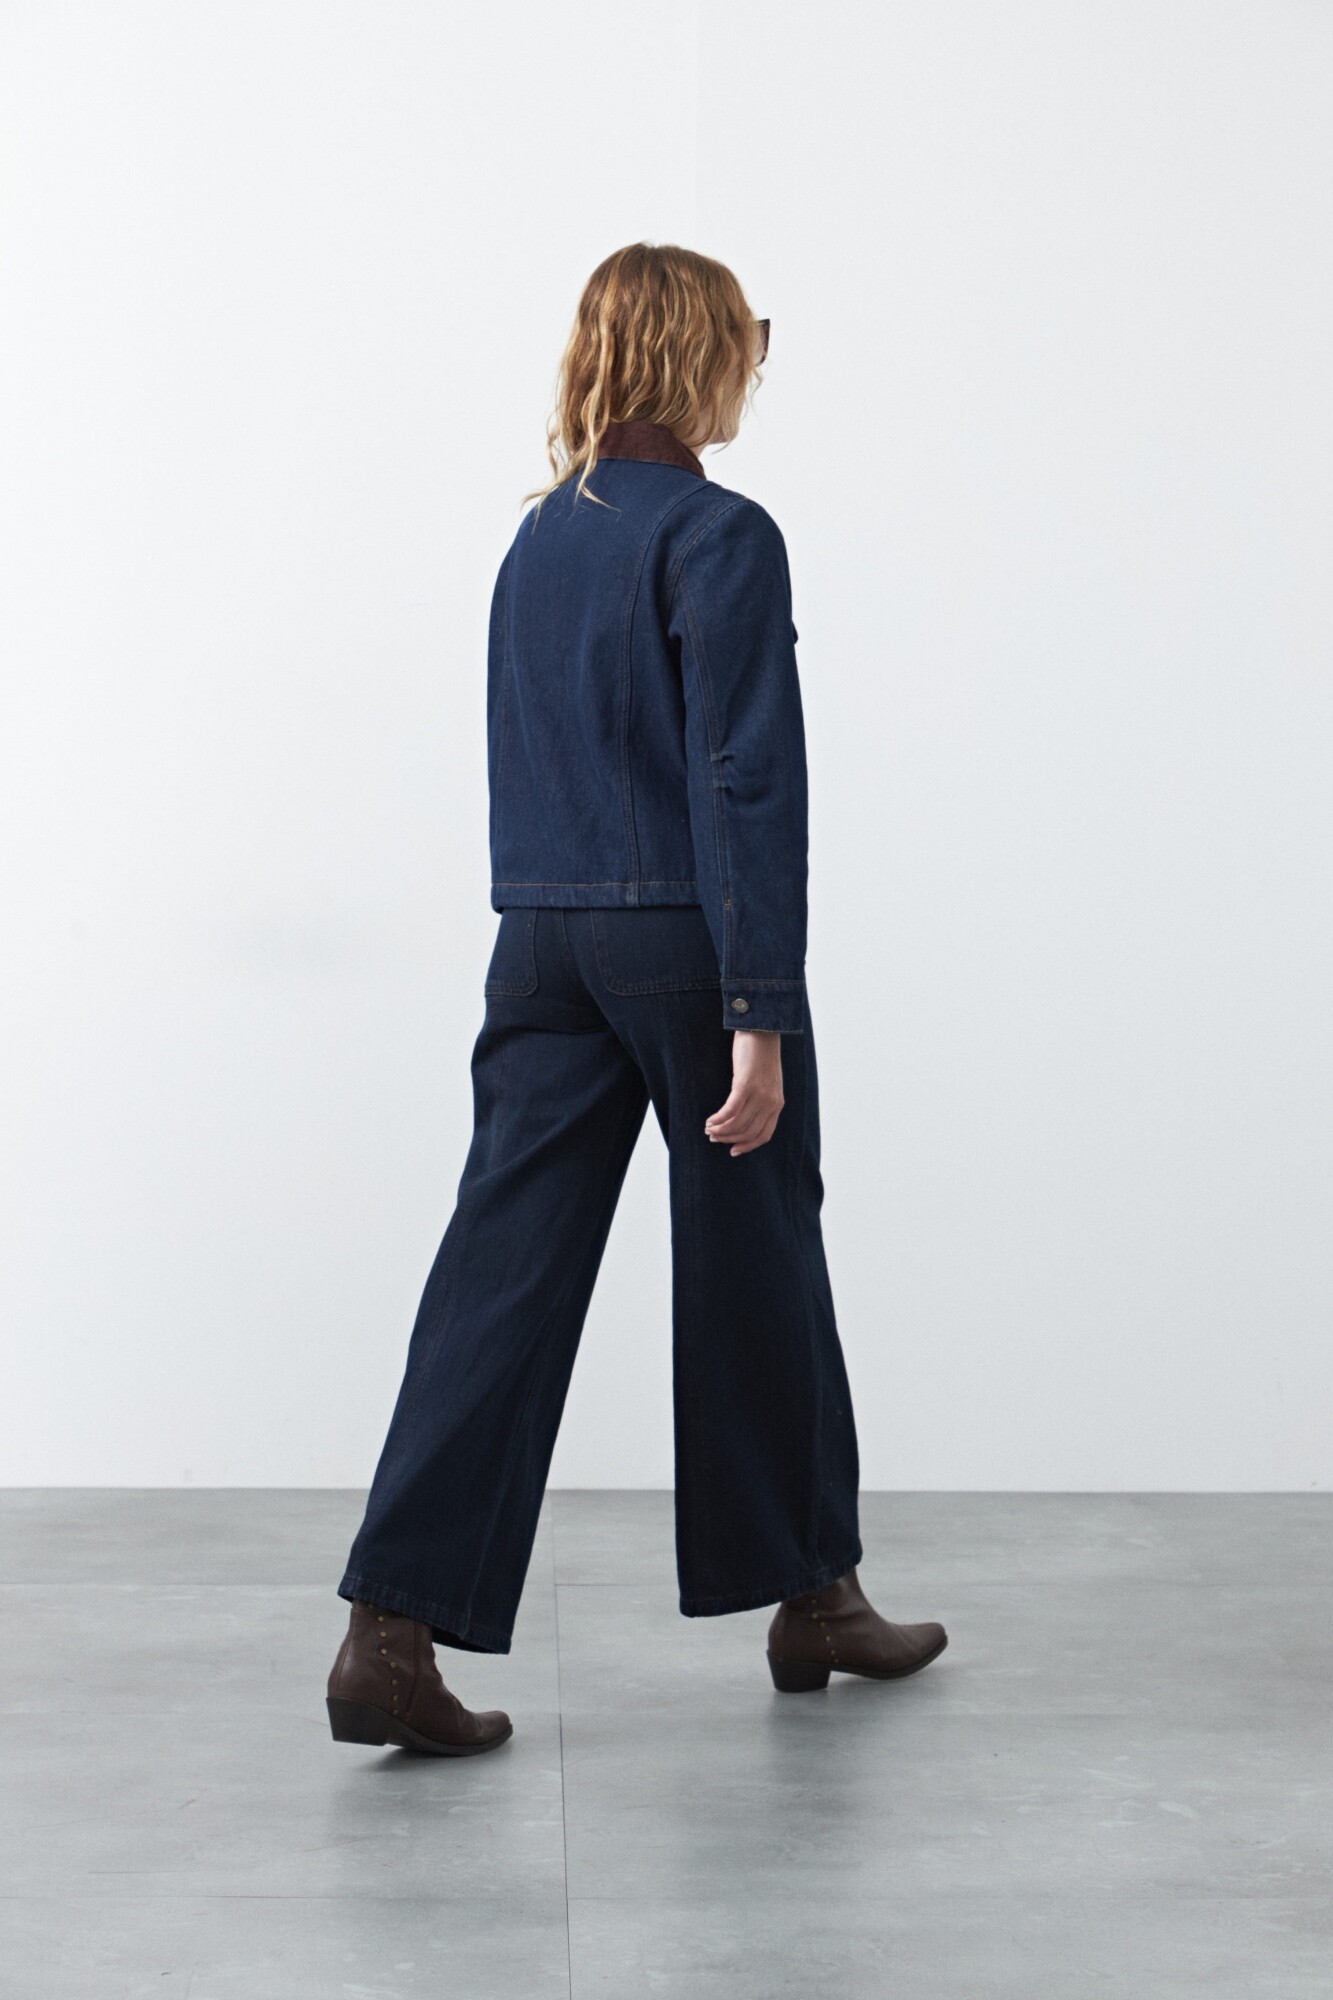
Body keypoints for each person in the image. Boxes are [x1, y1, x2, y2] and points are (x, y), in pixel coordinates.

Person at [326, 243, 947, 1756]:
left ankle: (387, 1632)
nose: (753, 371)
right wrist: (759, 1007)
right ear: (698, 355)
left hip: (540, 941)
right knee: (758, 1254)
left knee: (502, 1272)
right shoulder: (722, 534)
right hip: (684, 943)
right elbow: (745, 777)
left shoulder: (540, 536)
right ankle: (811, 1592)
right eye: (746, 343)